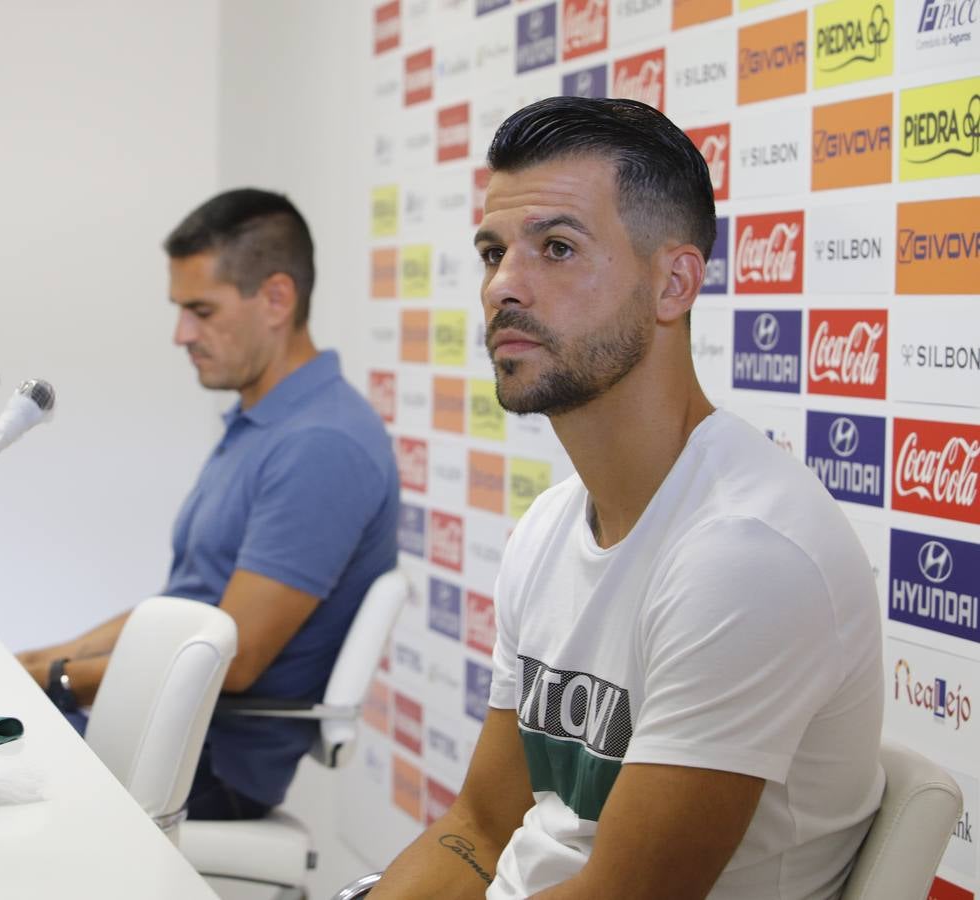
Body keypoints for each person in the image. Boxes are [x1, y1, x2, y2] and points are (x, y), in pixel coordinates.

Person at [372, 97, 883, 899]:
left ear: (673, 282)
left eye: (558, 248)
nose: (504, 286)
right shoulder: (547, 528)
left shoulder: (746, 555)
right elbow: (478, 827)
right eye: (493, 252)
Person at [18, 188, 399, 821]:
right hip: (166, 735)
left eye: (200, 310)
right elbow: (181, 608)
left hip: (203, 765)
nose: (180, 334)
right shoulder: (267, 422)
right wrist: (41, 662)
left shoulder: (320, 445)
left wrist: (54, 680)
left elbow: (233, 657)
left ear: (276, 298)